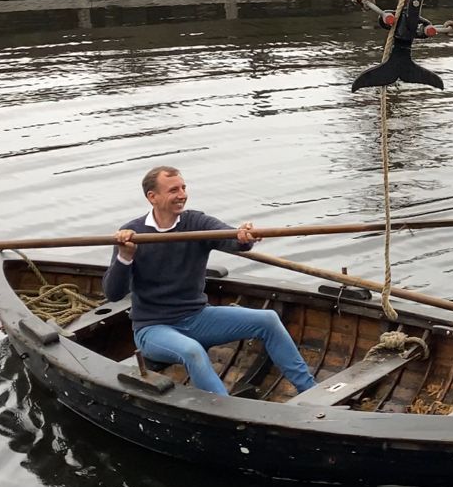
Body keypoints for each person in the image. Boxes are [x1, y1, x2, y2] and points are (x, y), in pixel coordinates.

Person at [106, 166, 317, 396]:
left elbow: (230, 238)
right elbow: (113, 294)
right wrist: (125, 256)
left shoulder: (196, 222)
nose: (182, 194)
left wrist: (244, 236)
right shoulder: (132, 233)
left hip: (197, 317)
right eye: (173, 190)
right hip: (153, 328)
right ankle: (228, 411)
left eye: (184, 188)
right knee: (192, 351)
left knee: (268, 319)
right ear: (152, 197)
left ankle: (311, 391)